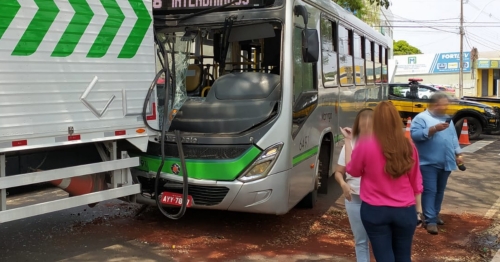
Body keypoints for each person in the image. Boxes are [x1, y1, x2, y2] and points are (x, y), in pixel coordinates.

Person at [342, 101, 423, 262]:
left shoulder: (365, 144)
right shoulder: (408, 146)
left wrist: (348, 141)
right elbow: (416, 182)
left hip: (374, 210)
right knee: (403, 255)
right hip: (405, 210)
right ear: (396, 120)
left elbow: (352, 170)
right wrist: (418, 212)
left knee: (383, 256)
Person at [410, 92, 463, 235]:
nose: (446, 106)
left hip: (446, 162)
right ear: (435, 104)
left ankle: (435, 214)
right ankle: (430, 220)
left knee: (440, 190)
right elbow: (415, 135)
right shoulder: (421, 118)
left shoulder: (447, 119)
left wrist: (458, 154)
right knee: (430, 190)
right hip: (428, 162)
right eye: (444, 104)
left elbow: (452, 138)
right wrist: (433, 129)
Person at [334, 108, 373, 262]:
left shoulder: (382, 144)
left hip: (376, 199)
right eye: (363, 123)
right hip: (354, 198)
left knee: (378, 241)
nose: (366, 126)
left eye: (370, 123)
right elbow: (339, 172)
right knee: (361, 241)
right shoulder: (350, 143)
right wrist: (343, 184)